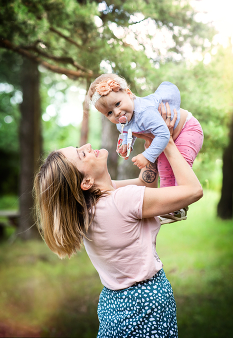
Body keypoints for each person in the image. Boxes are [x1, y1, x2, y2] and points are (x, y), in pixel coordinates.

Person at [34, 107, 203, 338]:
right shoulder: (121, 200)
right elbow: (193, 190)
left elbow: (145, 185)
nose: (86, 147)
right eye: (81, 155)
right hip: (145, 305)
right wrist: (167, 141)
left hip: (117, 305)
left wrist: (150, 151)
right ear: (86, 182)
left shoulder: (91, 205)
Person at [88, 74, 204, 222]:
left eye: (117, 104)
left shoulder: (145, 112)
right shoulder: (122, 120)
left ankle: (181, 203)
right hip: (163, 138)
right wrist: (126, 144)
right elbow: (128, 130)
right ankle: (171, 207)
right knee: (164, 171)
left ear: (129, 94)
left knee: (179, 166)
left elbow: (162, 134)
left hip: (186, 130)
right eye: (109, 113)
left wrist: (147, 155)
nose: (117, 113)